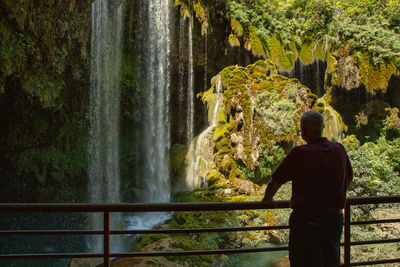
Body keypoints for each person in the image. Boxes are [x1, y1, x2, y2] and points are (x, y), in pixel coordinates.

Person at [262, 110, 353, 267]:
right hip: (334, 220)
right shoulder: (339, 149)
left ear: (303, 130)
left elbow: (275, 181)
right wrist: (335, 194)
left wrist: (267, 199)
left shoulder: (299, 153)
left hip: (306, 223)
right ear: (322, 127)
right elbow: (349, 177)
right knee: (330, 261)